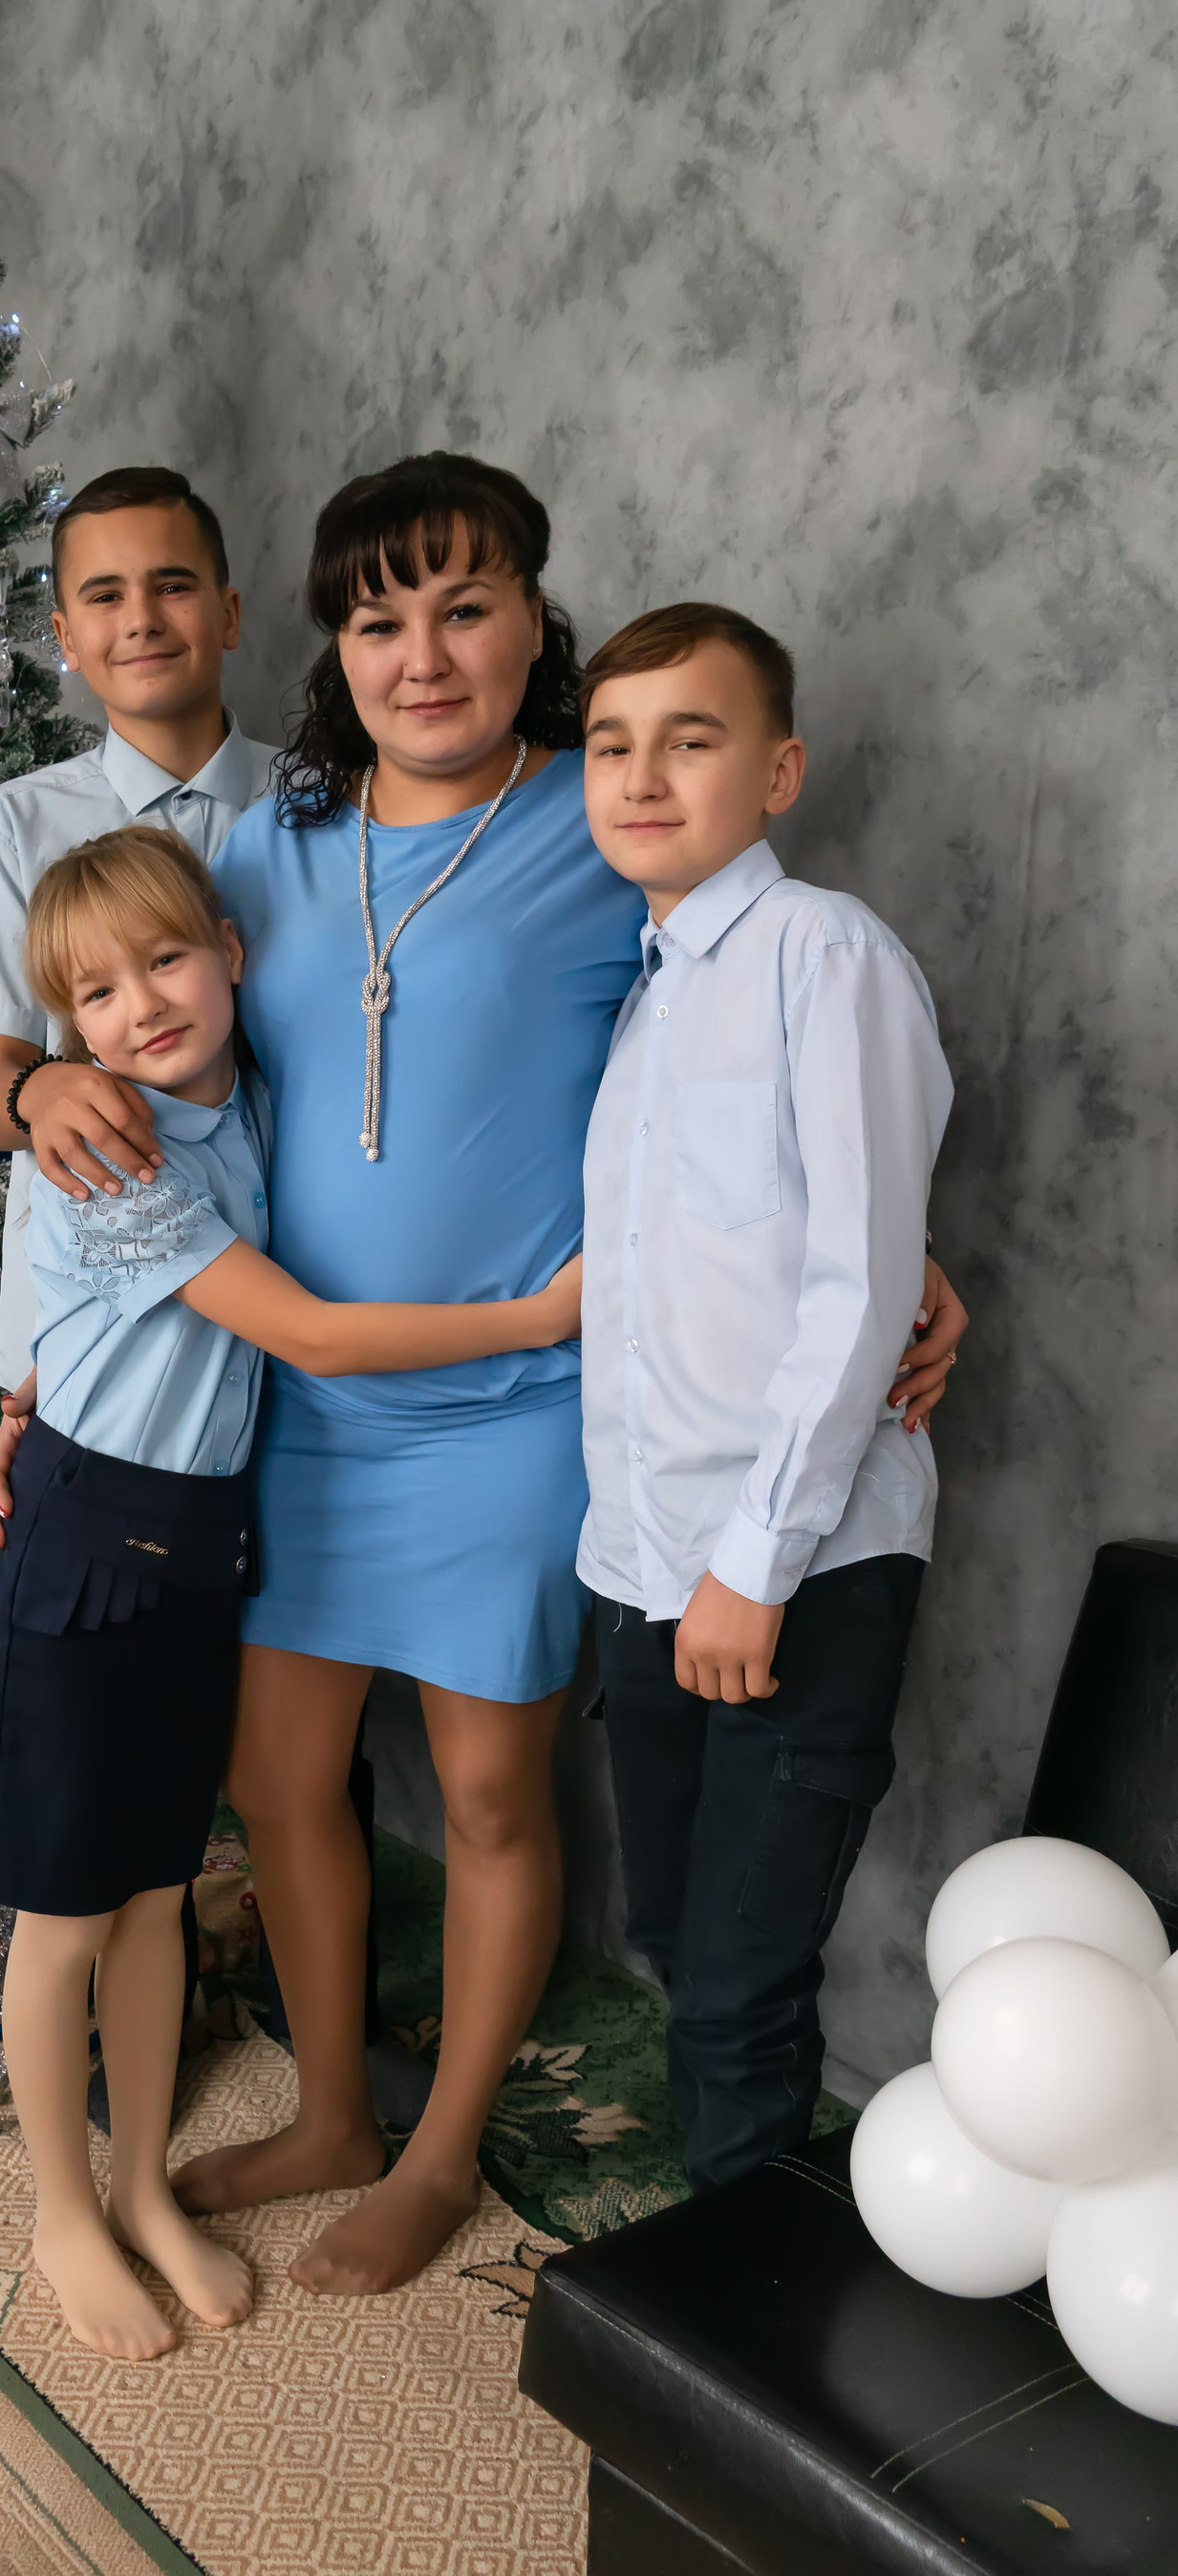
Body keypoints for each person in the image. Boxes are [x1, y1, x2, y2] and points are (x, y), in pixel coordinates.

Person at [0, 453, 969, 2297]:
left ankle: (440, 2149)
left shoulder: (604, 828)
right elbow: (126, 1059)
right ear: (336, 649)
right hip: (296, 1405)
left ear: (535, 621)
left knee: (493, 1789)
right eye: (381, 621)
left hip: (524, 1411)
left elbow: (752, 1078)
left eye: (466, 608)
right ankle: (333, 2109)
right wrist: (35, 1088)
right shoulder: (264, 848)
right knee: (281, 1776)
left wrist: (909, 1256)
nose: (425, 654)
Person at [0, 822, 586, 2360]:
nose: (141, 1006)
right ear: (67, 1028)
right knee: (66, 1912)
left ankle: (143, 2185)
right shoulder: (113, 1151)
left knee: (157, 1894)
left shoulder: (240, 1101)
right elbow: (305, 1332)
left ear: (233, 954)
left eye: (167, 961)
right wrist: (543, 1315)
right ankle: (64, 2211)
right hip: (85, 1545)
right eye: (96, 996)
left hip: (201, 1548)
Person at [573, 604, 954, 2189]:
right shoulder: (646, 995)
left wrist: (755, 1560)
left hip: (797, 1564)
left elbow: (861, 1282)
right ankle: (706, 2266)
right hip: (646, 1556)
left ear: (778, 770)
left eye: (692, 737)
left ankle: (738, 2285)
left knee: (740, 1986)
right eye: (611, 742)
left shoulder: (827, 954)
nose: (643, 773)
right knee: (671, 1930)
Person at [0, 462, 272, 1392]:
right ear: (66, 639)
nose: (142, 619)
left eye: (173, 586)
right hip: (93, 1331)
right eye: (105, 595)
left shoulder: (319, 803)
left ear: (228, 613)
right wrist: (43, 1091)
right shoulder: (18, 825)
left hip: (291, 1287)